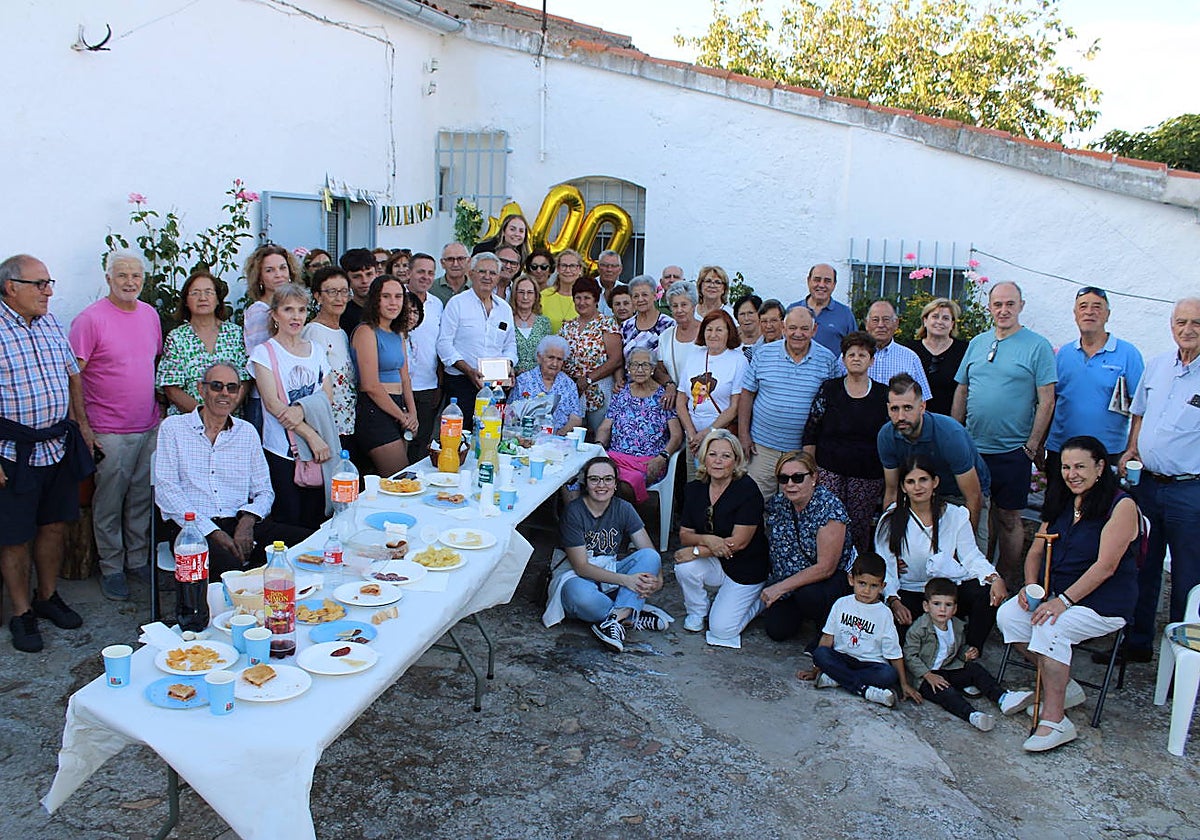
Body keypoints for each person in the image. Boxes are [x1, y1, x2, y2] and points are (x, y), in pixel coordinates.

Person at [995, 435, 1140, 752]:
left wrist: (1062, 602)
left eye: (1080, 467)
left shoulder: (1122, 505)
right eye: (1065, 467)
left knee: (1051, 627)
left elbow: (1106, 567)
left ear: (1100, 466)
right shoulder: (1062, 500)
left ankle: (1056, 719)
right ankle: (1064, 684)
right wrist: (1033, 589)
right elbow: (1035, 552)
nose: (1072, 473)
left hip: (1103, 602)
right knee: (1009, 616)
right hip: (1058, 596)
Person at [0, 254, 91, 652]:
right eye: (40, 284)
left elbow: (73, 374)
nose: (48, 291)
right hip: (10, 452)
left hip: (56, 445)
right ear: (11, 287)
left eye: (49, 283)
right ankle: (21, 612)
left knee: (55, 525)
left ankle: (46, 596)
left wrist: (82, 426)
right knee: (15, 538)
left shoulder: (50, 321)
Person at [155, 361, 310, 579]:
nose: (225, 393)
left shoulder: (246, 432)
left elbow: (264, 491)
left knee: (312, 544)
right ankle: (208, 612)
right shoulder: (174, 428)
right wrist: (213, 532)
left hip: (240, 522)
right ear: (202, 389)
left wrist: (247, 522)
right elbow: (166, 491)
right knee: (233, 574)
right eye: (217, 386)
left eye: (232, 387)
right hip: (192, 529)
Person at [68, 249, 162, 601]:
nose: (129, 282)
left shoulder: (150, 315)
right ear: (108, 279)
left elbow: (150, 365)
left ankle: (137, 561)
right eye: (122, 275)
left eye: (136, 275)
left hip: (147, 425)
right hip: (108, 429)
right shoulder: (90, 320)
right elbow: (74, 376)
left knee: (140, 498)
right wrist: (83, 427)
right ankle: (111, 567)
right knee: (109, 502)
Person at [953, 281, 1056, 581]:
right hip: (974, 449)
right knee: (972, 515)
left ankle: (1007, 579)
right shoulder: (977, 343)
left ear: (1021, 306)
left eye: (1010, 304)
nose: (1003, 310)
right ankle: (977, 578)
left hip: (1013, 451)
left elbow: (1046, 400)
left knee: (1009, 519)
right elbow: (962, 389)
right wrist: (956, 434)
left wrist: (1032, 445)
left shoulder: (1037, 346)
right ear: (989, 307)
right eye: (998, 304)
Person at [1119, 297, 1200, 663]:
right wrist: (1131, 448)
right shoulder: (1156, 366)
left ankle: (1180, 657)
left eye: (1196, 323)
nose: (1187, 330)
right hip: (1148, 485)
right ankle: (1137, 643)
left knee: (1188, 575)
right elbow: (1138, 414)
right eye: (1181, 322)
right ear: (1171, 326)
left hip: (1190, 490)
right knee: (1143, 565)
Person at [541, 456, 672, 652]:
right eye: (595, 479)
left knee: (650, 558)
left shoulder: (623, 508)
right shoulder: (574, 512)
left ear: (616, 484)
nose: (601, 485)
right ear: (586, 483)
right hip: (575, 578)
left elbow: (648, 550)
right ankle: (630, 613)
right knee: (582, 597)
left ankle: (614, 619)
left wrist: (658, 581)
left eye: (608, 479)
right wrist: (627, 581)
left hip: (609, 574)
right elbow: (582, 567)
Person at [876, 455, 1006, 650]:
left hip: (947, 590)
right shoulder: (891, 519)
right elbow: (886, 564)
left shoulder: (955, 515)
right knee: (901, 642)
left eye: (923, 480)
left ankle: (970, 651)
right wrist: (894, 600)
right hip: (910, 591)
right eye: (910, 482)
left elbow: (970, 555)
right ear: (903, 487)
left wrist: (994, 578)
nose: (917, 487)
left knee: (986, 593)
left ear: (935, 482)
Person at [250, 284, 336, 530]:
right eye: (288, 309)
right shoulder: (264, 353)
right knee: (289, 521)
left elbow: (326, 396)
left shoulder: (316, 351)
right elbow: (273, 404)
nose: (296, 316)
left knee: (317, 520)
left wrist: (299, 410)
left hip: (318, 449)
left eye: (301, 310)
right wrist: (311, 436)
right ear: (275, 314)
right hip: (283, 451)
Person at [673, 430, 769, 648]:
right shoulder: (694, 489)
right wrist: (708, 539)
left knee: (721, 630)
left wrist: (698, 551)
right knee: (685, 568)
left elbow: (740, 542)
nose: (718, 461)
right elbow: (685, 535)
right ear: (703, 457)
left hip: (746, 567)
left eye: (726, 456)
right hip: (718, 561)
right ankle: (697, 612)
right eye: (712, 454)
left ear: (736, 461)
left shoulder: (748, 490)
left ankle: (761, 601)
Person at [802, 331, 889, 553]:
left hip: (867, 475)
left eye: (862, 354)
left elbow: (890, 437)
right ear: (843, 359)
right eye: (851, 354)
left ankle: (854, 575)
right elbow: (812, 429)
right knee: (828, 523)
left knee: (859, 527)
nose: (857, 358)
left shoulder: (883, 395)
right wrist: (810, 469)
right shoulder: (829, 389)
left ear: (872, 360)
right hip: (829, 471)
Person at [738, 305, 838, 498]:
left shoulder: (827, 360)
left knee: (796, 505)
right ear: (784, 329)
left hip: (802, 452)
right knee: (755, 502)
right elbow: (747, 394)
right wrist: (744, 435)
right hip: (762, 448)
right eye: (792, 328)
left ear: (814, 330)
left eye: (804, 328)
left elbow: (833, 404)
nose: (797, 334)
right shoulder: (763, 354)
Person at [798, 552, 919, 708]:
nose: (866, 591)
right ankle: (864, 690)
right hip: (843, 657)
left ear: (883, 587)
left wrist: (904, 684)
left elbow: (894, 653)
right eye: (862, 583)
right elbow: (827, 638)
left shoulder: (884, 613)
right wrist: (815, 670)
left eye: (873, 586)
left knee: (888, 675)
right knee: (820, 654)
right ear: (851, 580)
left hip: (870, 665)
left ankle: (837, 679)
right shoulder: (841, 604)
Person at [1046, 286, 1144, 478]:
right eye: (1083, 306)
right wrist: (1040, 444)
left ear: (1108, 314)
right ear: (1075, 314)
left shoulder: (1128, 354)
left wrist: (1132, 448)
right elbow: (1050, 402)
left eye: (1097, 307)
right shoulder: (1063, 355)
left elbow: (1140, 409)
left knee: (1102, 507)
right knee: (1057, 507)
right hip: (1063, 451)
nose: (1089, 312)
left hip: (1107, 453)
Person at [759, 451, 855, 643]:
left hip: (823, 581)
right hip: (789, 580)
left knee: (809, 596)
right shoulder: (779, 503)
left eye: (797, 477)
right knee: (776, 630)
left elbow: (826, 568)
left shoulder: (829, 508)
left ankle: (827, 629)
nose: (790, 484)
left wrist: (779, 588)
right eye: (784, 478)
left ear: (813, 477)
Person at [879, 373, 989, 534]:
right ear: (888, 409)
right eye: (895, 409)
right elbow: (892, 491)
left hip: (960, 493)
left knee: (971, 554)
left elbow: (973, 497)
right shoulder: (886, 435)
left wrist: (965, 545)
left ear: (922, 407)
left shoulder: (950, 435)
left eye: (908, 408)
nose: (901, 416)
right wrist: (890, 536)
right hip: (919, 491)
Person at [903, 578, 1016, 732]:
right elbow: (910, 656)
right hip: (926, 676)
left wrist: (966, 653)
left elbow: (958, 648)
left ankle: (1003, 698)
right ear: (926, 606)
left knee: (975, 670)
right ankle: (972, 715)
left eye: (948, 605)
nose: (942, 609)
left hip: (949, 667)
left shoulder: (956, 626)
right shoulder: (919, 629)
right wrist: (927, 675)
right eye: (937, 604)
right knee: (947, 694)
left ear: (955, 608)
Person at [436, 252, 516, 427]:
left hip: (495, 385)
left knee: (491, 432)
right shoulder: (457, 303)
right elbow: (444, 344)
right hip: (461, 383)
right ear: (471, 274)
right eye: (482, 272)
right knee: (461, 436)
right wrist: (468, 370)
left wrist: (509, 365)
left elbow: (510, 344)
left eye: (493, 273)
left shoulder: (504, 309)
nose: (487, 277)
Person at [595, 347, 683, 504]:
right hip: (616, 456)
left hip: (650, 460)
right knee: (596, 474)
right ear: (628, 369)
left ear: (653, 369)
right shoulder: (622, 393)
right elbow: (605, 427)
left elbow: (676, 435)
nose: (640, 370)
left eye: (645, 365)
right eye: (635, 365)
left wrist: (663, 457)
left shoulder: (664, 396)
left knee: (624, 484)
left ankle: (629, 522)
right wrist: (598, 448)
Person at [156, 269, 249, 416]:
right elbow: (171, 388)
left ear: (218, 299)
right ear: (186, 301)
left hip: (229, 422)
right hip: (188, 422)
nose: (202, 298)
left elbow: (244, 380)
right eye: (195, 293)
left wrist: (223, 413)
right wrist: (206, 415)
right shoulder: (177, 337)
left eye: (209, 292)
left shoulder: (235, 334)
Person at [353, 275, 420, 475]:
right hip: (376, 411)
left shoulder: (397, 332)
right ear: (376, 300)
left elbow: (405, 377)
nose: (393, 302)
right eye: (386, 296)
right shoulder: (366, 331)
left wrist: (412, 413)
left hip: (399, 408)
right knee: (399, 478)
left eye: (398, 297)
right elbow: (370, 385)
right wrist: (403, 417)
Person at [677, 311, 745, 481]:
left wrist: (708, 433)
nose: (713, 335)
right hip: (693, 438)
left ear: (729, 332)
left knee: (718, 483)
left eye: (719, 330)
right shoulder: (694, 356)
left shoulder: (738, 360)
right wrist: (692, 433)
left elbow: (735, 407)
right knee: (694, 484)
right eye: (709, 329)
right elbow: (681, 400)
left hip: (721, 437)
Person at [242, 245, 299, 431]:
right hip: (267, 401)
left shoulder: (295, 307)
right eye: (270, 270)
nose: (278, 274)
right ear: (259, 277)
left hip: (292, 395)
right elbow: (261, 362)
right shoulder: (259, 312)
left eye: (283, 268)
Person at [302, 266, 358, 453]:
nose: (339, 298)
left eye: (343, 291)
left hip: (347, 420)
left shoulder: (341, 332)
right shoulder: (313, 331)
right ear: (317, 296)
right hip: (326, 423)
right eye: (332, 292)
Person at [559, 276, 622, 432]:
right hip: (573, 390)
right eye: (578, 298)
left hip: (599, 387)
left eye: (587, 298)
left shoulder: (607, 323)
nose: (582, 302)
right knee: (572, 435)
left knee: (599, 434)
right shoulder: (567, 326)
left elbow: (616, 360)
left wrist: (588, 379)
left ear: (596, 300)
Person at [404, 252, 443, 464]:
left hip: (428, 386)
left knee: (421, 443)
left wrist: (439, 383)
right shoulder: (397, 298)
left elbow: (439, 346)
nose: (425, 277)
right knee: (401, 443)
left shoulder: (437, 304)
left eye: (430, 273)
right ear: (409, 272)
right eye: (420, 271)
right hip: (399, 387)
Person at [906, 297, 968, 417]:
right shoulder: (910, 350)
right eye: (935, 317)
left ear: (952, 324)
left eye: (945, 318)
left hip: (951, 421)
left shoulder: (964, 350)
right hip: (915, 422)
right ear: (925, 320)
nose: (939, 322)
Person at [858, 300, 932, 399]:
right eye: (875, 320)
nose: (880, 325)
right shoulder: (852, 356)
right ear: (866, 324)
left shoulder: (910, 357)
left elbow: (923, 398)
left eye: (886, 320)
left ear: (896, 323)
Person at [511, 336, 584, 436]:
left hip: (559, 440)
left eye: (559, 359)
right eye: (551, 357)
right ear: (539, 357)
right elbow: (510, 413)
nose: (555, 363)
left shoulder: (569, 384)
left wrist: (560, 434)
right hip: (527, 438)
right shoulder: (523, 381)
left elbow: (576, 418)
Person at [790, 263, 857, 355]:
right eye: (817, 280)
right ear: (808, 281)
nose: (821, 285)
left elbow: (854, 348)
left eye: (827, 281)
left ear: (834, 284)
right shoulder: (792, 310)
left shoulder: (845, 314)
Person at [656, 281, 701, 391]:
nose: (679, 310)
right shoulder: (665, 336)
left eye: (684, 305)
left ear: (694, 306)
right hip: (676, 399)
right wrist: (669, 384)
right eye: (675, 306)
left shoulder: (707, 332)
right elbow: (659, 370)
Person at [620, 275, 675, 361]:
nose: (640, 299)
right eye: (636, 296)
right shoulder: (625, 326)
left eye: (645, 295)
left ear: (654, 295)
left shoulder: (669, 325)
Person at [511, 274, 553, 375]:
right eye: (521, 292)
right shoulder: (507, 321)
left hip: (538, 380)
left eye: (530, 292)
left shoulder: (544, 323)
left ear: (536, 296)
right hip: (512, 379)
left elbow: (548, 355)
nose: (525, 297)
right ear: (515, 295)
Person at [338, 247, 378, 336]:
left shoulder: (388, 309)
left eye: (369, 274)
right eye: (357, 276)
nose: (364, 281)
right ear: (346, 279)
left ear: (376, 274)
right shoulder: (342, 315)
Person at [540, 248, 581, 333]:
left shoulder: (586, 298)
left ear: (579, 269)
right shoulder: (543, 296)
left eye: (572, 266)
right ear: (558, 269)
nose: (568, 270)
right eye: (564, 266)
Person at [734, 293, 763, 359]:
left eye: (750, 313)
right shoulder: (730, 337)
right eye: (742, 314)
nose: (746, 318)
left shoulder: (768, 338)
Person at [595, 250, 623, 315]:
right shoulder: (588, 288)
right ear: (598, 267)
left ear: (620, 269)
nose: (609, 270)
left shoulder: (626, 291)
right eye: (605, 265)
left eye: (613, 266)